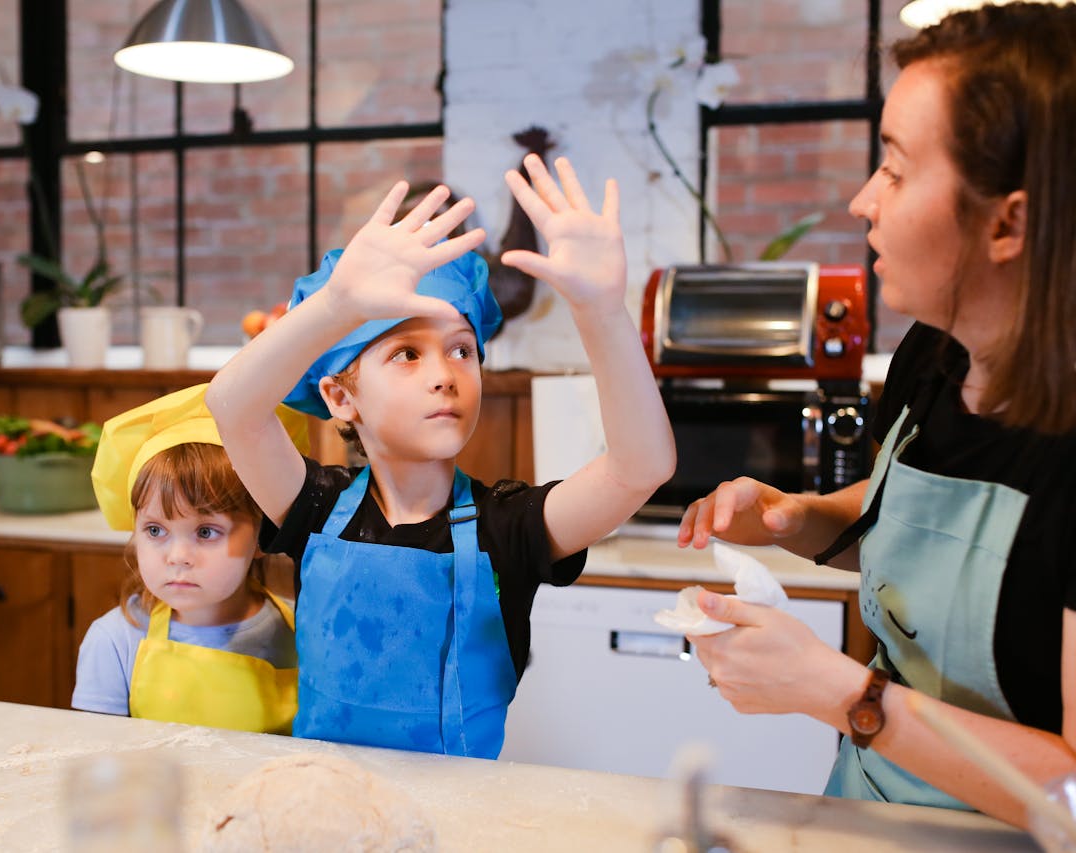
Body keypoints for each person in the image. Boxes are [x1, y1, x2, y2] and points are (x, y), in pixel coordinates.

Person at [675, 2, 1076, 828]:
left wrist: (845, 694)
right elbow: (908, 521)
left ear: (1009, 221)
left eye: (894, 169)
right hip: (868, 816)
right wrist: (796, 516)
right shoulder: (934, 354)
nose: (863, 202)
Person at [206, 154, 674, 758]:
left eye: (461, 350)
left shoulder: (510, 525)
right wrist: (337, 306)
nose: (445, 375)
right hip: (325, 795)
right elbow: (233, 407)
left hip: (461, 807)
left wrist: (603, 313)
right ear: (341, 397)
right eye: (406, 353)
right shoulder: (314, 506)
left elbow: (641, 467)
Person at [73, 384, 307, 733]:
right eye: (155, 530)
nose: (178, 557)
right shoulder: (115, 640)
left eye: (206, 532)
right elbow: (99, 753)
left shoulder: (304, 633)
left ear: (265, 534)